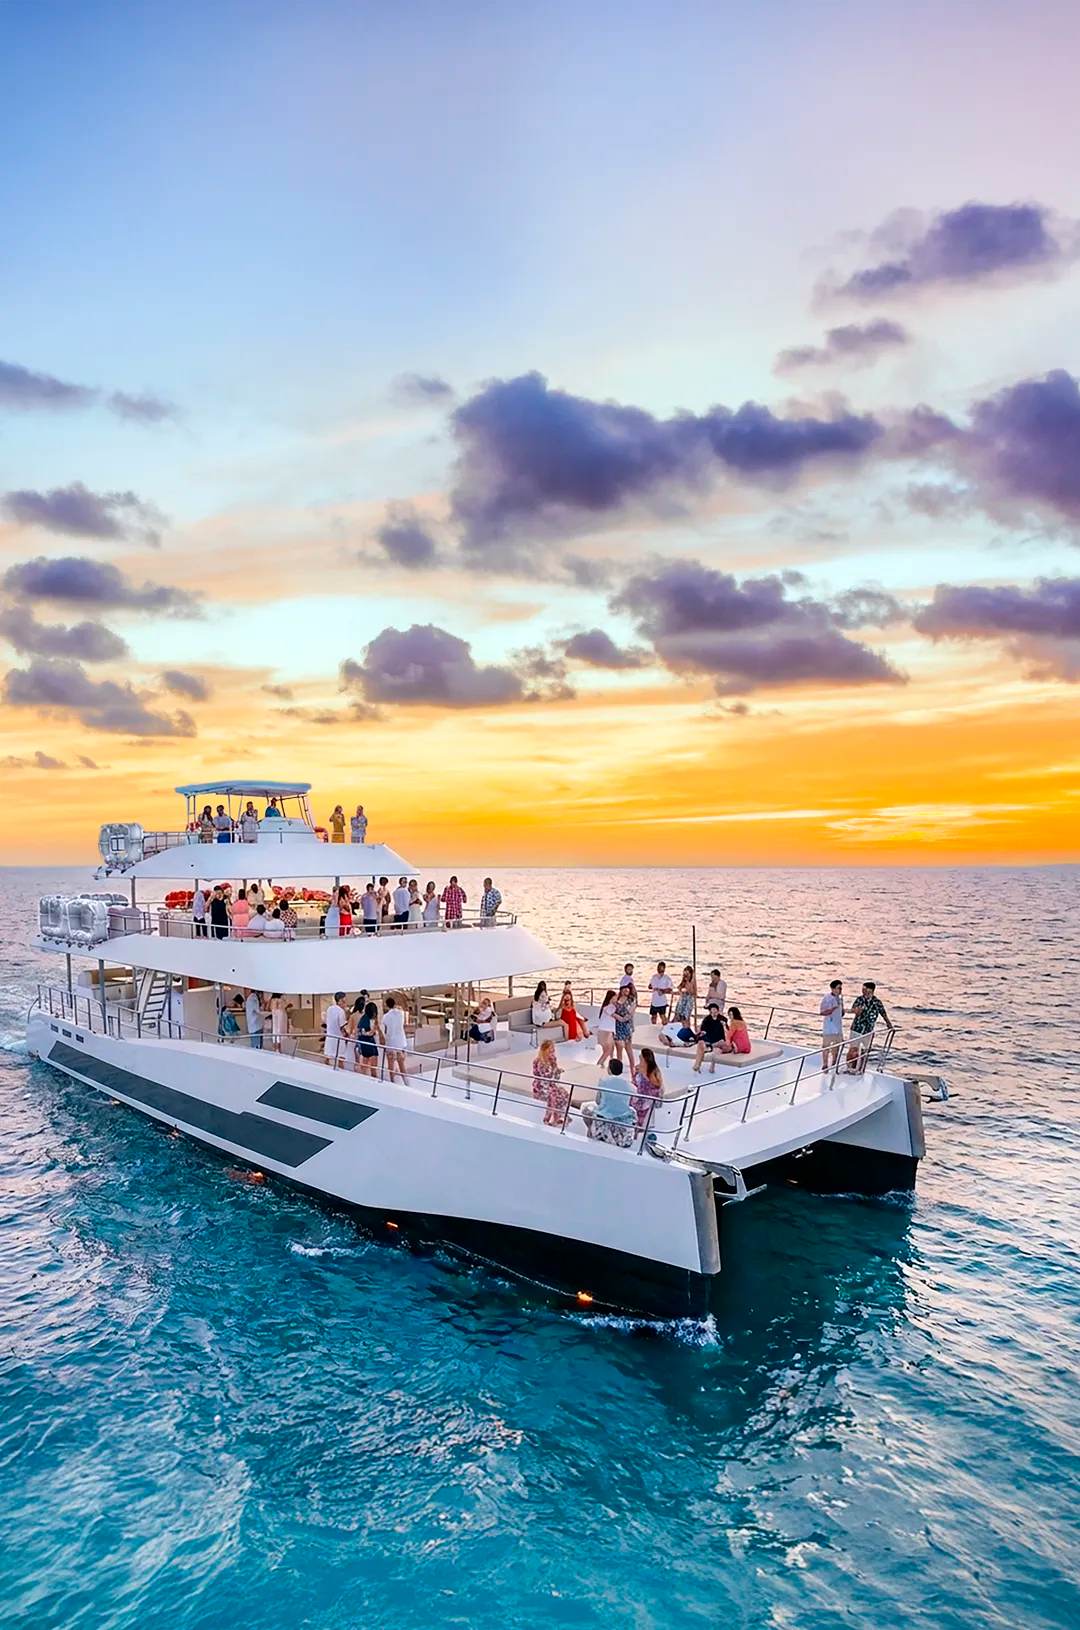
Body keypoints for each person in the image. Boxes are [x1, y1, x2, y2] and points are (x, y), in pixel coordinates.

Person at [582, 1058, 636, 1148]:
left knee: (585, 1107)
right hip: (623, 1115)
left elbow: (598, 1101)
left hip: (604, 1114)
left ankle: (590, 1131)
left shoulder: (603, 1081)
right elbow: (630, 1103)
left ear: (609, 1070)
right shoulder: (631, 1086)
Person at [847, 981, 891, 1073]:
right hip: (857, 1028)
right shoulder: (859, 999)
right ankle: (849, 1067)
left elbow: (883, 1013)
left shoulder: (877, 1002)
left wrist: (888, 1024)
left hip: (868, 1030)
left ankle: (860, 1069)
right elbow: (853, 1010)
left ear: (871, 990)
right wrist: (855, 1011)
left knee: (865, 1051)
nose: (863, 990)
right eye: (862, 988)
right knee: (853, 1050)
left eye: (865, 989)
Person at [531, 1037, 568, 1127]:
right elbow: (544, 1075)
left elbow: (554, 1072)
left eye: (553, 1049)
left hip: (550, 1084)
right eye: (550, 1049)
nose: (552, 1051)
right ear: (545, 1049)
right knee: (554, 1096)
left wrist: (558, 1070)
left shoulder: (552, 1059)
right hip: (541, 1086)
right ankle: (547, 1119)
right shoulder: (539, 1061)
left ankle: (557, 1116)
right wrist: (554, 1071)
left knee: (565, 1094)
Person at [630, 1046, 664, 1131]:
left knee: (641, 1103)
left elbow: (658, 1085)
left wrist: (645, 1075)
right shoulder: (638, 1068)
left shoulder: (653, 1071)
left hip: (647, 1096)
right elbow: (634, 1081)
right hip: (638, 1094)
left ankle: (639, 1126)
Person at [693, 1003, 728, 1073]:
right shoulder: (707, 1020)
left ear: (718, 1011)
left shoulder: (723, 1019)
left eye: (715, 1011)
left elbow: (726, 1032)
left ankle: (711, 1066)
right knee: (701, 1043)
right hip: (709, 1039)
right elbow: (703, 1030)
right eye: (712, 1011)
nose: (714, 1013)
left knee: (722, 1045)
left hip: (719, 1040)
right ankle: (697, 1065)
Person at [382, 996, 408, 1085]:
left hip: (391, 1040)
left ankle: (392, 1080)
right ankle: (405, 1080)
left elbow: (385, 1029)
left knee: (391, 1062)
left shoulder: (385, 1017)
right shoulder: (401, 1013)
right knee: (401, 1062)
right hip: (400, 1039)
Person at [353, 1000, 383, 1077]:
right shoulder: (368, 1020)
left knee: (365, 1064)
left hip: (364, 1044)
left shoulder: (363, 1019)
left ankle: (363, 1077)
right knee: (372, 1065)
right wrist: (373, 1030)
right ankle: (373, 1078)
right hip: (369, 1043)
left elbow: (359, 1032)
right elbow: (367, 1033)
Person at [820, 979, 844, 1071]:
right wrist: (832, 1009)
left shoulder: (841, 998)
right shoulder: (827, 998)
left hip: (838, 1026)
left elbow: (841, 1012)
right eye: (838, 988)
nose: (840, 990)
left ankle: (834, 1062)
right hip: (829, 1027)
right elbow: (822, 1012)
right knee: (826, 1046)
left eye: (841, 988)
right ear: (833, 988)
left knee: (836, 1046)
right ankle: (825, 1064)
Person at [613, 983, 637, 1075]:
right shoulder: (616, 999)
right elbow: (610, 1009)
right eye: (624, 988)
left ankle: (633, 1072)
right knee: (619, 1050)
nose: (626, 990)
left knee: (629, 1050)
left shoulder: (632, 1000)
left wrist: (621, 1018)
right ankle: (618, 1072)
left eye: (628, 988)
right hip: (618, 1027)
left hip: (626, 1027)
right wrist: (616, 1016)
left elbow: (630, 1014)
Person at [324, 991, 348, 1068]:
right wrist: (346, 1035)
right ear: (340, 1000)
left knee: (327, 1056)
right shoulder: (341, 1011)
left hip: (329, 1036)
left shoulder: (329, 1009)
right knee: (341, 1057)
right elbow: (342, 1026)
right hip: (338, 1038)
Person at [595, 989, 618, 1066]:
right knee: (607, 1051)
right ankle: (599, 1064)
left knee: (611, 1048)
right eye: (615, 997)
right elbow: (616, 1014)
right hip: (605, 1031)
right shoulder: (609, 1007)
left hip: (608, 1031)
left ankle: (609, 1063)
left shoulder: (607, 1007)